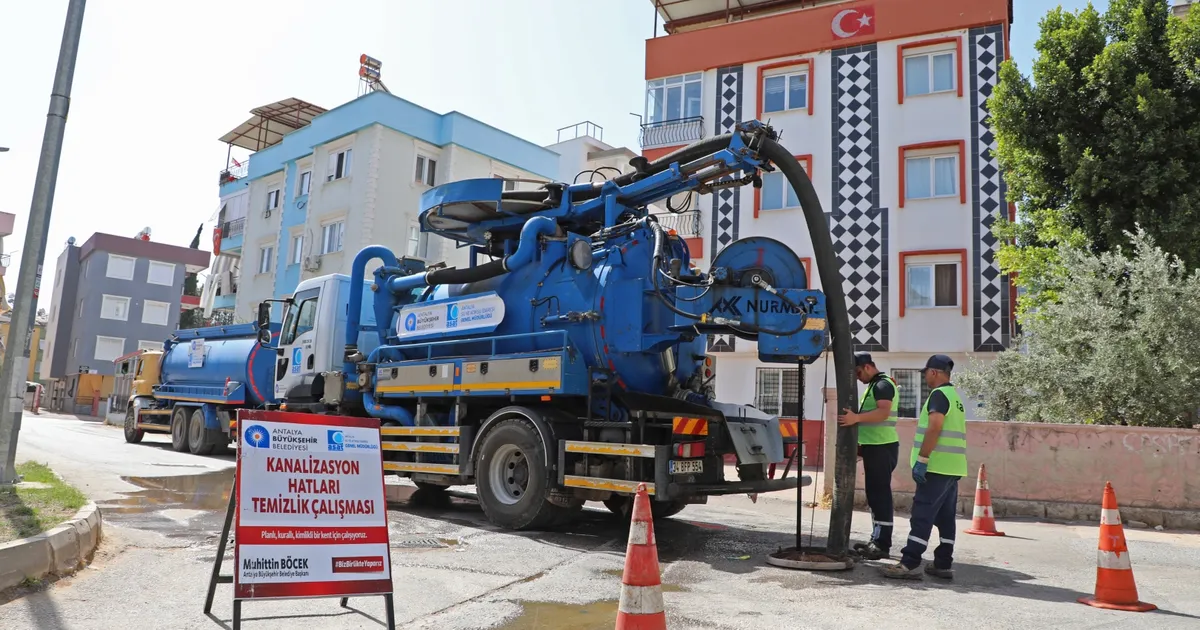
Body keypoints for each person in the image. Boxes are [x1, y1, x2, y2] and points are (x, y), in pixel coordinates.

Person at [881, 354, 967, 580]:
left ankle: (909, 563)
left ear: (935, 372)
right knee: (946, 518)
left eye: (926, 372)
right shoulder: (954, 396)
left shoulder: (939, 395)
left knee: (922, 514)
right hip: (953, 467)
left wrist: (923, 459)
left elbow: (934, 428)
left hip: (936, 467)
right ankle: (943, 563)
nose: (925, 377)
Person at [837, 351, 899, 560]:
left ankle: (882, 544)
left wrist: (855, 418)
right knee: (874, 495)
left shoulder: (882, 385)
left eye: (857, 372)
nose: (857, 377)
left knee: (880, 495)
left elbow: (883, 413)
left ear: (867, 367)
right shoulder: (874, 386)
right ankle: (877, 539)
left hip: (882, 446)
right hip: (875, 446)